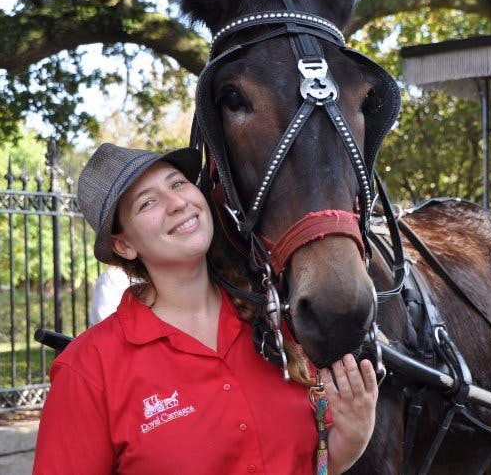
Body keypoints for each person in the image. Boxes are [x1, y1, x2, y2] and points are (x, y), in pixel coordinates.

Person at [33, 143, 378, 474]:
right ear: (124, 245)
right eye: (147, 203)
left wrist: (350, 438)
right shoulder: (88, 370)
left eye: (178, 183)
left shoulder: (277, 327)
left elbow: (306, 464)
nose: (177, 203)